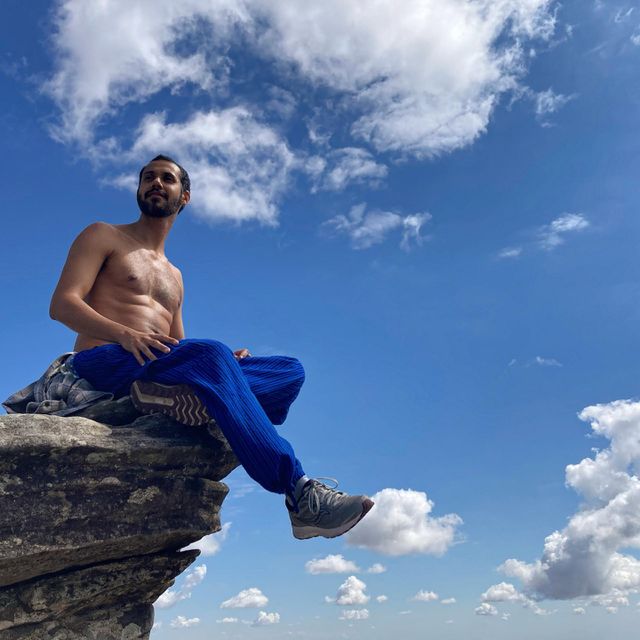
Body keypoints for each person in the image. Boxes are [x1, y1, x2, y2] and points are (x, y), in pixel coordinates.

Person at [39, 154, 373, 540]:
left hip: (155, 367)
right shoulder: (103, 235)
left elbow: (180, 344)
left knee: (289, 370)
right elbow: (62, 304)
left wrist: (224, 363)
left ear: (185, 196)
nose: (156, 183)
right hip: (103, 361)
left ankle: (167, 397)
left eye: (167, 178)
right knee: (211, 356)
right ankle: (300, 494)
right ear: (139, 188)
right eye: (148, 177)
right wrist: (126, 335)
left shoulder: (175, 276)